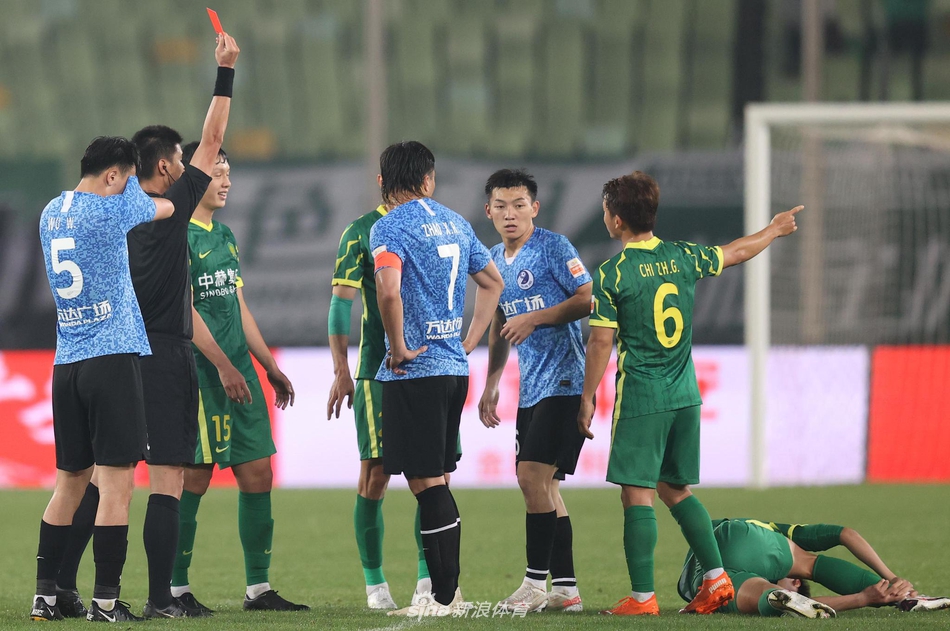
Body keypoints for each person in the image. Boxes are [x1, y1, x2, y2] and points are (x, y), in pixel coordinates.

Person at [51, 32, 243, 620]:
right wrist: (225, 72)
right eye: (182, 164)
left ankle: (58, 585)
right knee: (166, 481)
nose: (193, 168)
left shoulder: (108, 208)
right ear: (166, 166)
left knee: (96, 478)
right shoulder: (175, 201)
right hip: (160, 353)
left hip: (99, 352)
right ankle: (161, 599)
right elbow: (212, 139)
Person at [577, 170, 803, 616]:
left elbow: (601, 340)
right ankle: (717, 580)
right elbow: (737, 252)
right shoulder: (683, 256)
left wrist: (587, 398)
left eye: (606, 210)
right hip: (685, 394)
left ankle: (642, 599)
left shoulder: (612, 273)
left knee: (636, 494)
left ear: (616, 220)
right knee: (675, 489)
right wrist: (774, 229)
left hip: (643, 398)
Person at [32, 136, 175, 622]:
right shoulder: (111, 211)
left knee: (68, 483)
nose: (126, 188)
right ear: (112, 176)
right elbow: (168, 207)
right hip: (111, 358)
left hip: (65, 360)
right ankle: (106, 604)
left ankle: (45, 598)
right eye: (125, 179)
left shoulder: (50, 212)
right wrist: (142, 186)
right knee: (117, 486)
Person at [170, 142, 308, 612]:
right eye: (217, 171)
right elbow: (184, 311)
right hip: (203, 377)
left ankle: (258, 589)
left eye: (229, 171)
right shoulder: (178, 235)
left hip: (241, 375)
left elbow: (239, 306)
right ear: (193, 177)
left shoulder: (225, 235)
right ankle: (175, 589)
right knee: (194, 478)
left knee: (257, 473)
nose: (226, 180)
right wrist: (224, 366)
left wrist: (268, 366)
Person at [369, 141, 503, 617]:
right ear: (428, 179)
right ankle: (445, 595)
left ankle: (443, 598)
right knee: (438, 478)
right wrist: (470, 339)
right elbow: (492, 282)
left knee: (428, 484)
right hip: (453, 369)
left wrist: (399, 345)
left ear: (384, 182)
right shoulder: (455, 221)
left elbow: (388, 291)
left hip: (416, 371)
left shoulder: (389, 227)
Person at [329, 192, 458, 609]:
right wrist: (341, 370)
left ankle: (429, 582)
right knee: (376, 473)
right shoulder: (362, 231)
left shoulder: (437, 225)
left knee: (438, 474)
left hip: (434, 365)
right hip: (378, 370)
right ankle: (375, 585)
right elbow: (340, 304)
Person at [476, 169, 590, 613]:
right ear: (488, 211)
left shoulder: (554, 247)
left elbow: (588, 297)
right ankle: (566, 590)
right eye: (501, 205)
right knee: (547, 488)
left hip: (566, 380)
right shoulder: (491, 259)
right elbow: (501, 325)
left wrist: (536, 317)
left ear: (534, 209)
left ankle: (533, 584)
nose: (510, 214)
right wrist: (491, 381)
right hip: (531, 388)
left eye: (519, 204)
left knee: (530, 478)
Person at [677, 517, 950, 617]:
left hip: (719, 553)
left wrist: (891, 578)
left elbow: (845, 532)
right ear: (793, 582)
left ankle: (903, 596)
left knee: (769, 594)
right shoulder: (787, 552)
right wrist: (868, 594)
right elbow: (846, 533)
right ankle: (905, 595)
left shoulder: (777, 535)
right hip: (737, 550)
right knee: (802, 567)